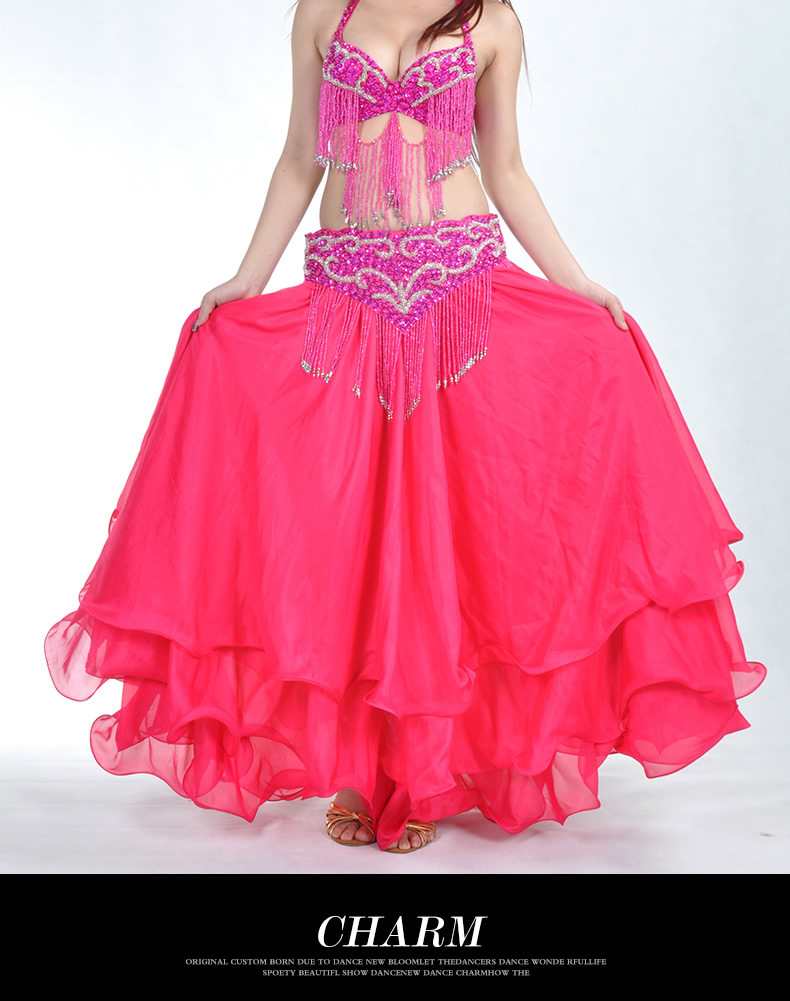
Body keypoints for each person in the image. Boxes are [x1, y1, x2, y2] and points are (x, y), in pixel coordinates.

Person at [44, 0, 765, 854]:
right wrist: (247, 280)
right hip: (344, 300)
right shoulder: (324, 11)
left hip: (458, 295)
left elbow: (507, 170)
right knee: (345, 541)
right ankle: (360, 771)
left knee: (443, 546)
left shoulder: (491, 22)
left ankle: (427, 773)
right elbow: (299, 160)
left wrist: (576, 285)